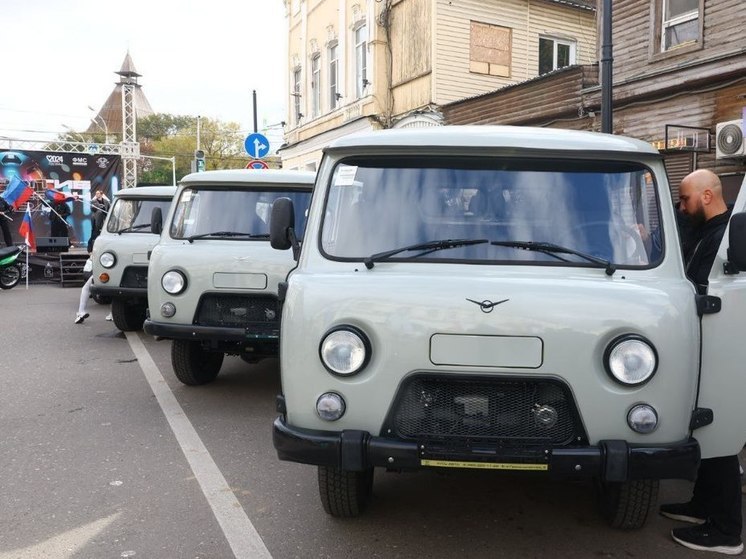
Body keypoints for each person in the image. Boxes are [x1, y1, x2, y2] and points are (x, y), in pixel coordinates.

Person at [659, 169, 741, 555]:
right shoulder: (704, 232)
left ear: (707, 196)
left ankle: (726, 530)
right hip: (702, 339)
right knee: (704, 427)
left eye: (685, 199)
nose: (681, 206)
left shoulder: (727, 237)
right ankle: (703, 506)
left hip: (722, 342)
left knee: (720, 430)